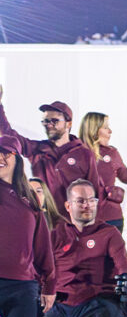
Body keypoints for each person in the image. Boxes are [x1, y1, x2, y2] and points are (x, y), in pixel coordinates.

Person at [0, 135, 54, 317]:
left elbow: (42, 246)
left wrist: (49, 285)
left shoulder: (30, 199)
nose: (0, 158)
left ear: (17, 159)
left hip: (22, 285)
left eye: (6, 153)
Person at [45, 178, 127, 317]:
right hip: (61, 302)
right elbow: (42, 267)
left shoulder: (109, 233)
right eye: (81, 201)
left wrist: (126, 277)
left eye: (92, 200)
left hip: (97, 302)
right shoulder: (56, 234)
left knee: (102, 314)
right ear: (68, 206)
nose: (87, 205)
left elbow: (122, 265)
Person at [0, 87, 104, 218]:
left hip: (73, 222)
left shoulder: (84, 154)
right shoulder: (37, 149)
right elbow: (9, 135)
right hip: (45, 220)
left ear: (68, 124)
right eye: (45, 121)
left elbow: (95, 192)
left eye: (54, 121)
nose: (49, 124)